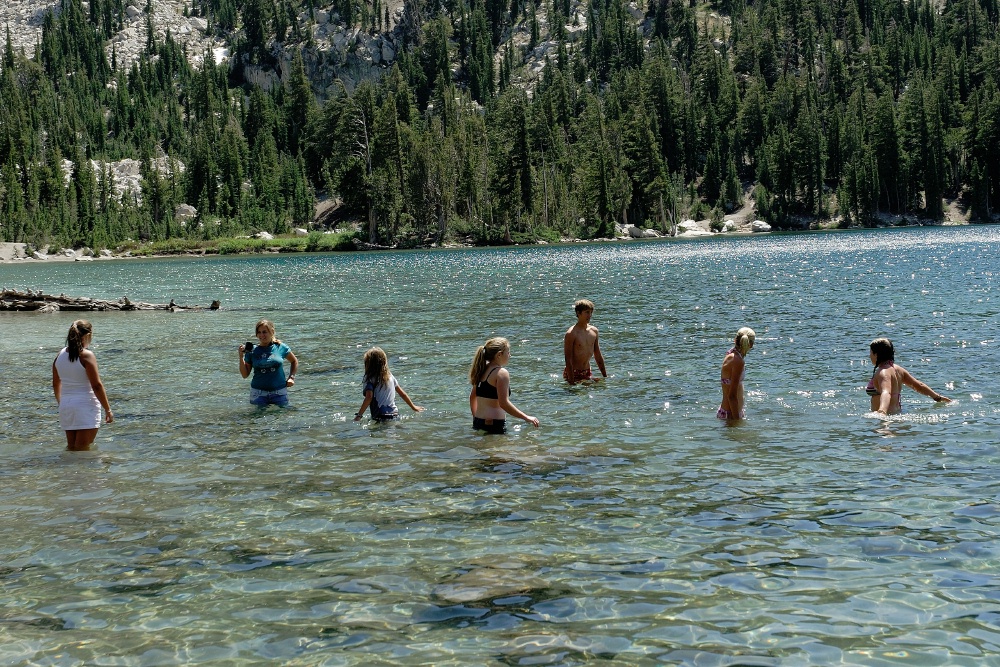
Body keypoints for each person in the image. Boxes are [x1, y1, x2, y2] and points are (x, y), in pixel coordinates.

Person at [52, 320, 113, 451]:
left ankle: (67, 471)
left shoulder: (60, 355)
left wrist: (61, 402)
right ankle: (83, 472)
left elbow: (56, 383)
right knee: (82, 450)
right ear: (87, 335)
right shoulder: (86, 355)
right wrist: (107, 409)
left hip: (66, 406)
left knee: (72, 448)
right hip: (85, 405)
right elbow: (96, 385)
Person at [469, 337, 539, 433]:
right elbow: (504, 403)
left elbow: (472, 397)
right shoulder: (501, 373)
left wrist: (475, 416)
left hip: (478, 421)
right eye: (508, 352)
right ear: (499, 355)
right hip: (494, 425)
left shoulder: (482, 369)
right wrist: (526, 417)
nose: (510, 355)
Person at [867, 337, 951, 415]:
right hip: (897, 415)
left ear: (876, 354)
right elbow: (919, 386)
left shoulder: (883, 372)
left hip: (885, 418)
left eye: (870, 352)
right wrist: (938, 398)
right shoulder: (898, 370)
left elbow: (886, 392)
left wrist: (882, 411)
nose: (869, 355)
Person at [354, 347, 424, 421]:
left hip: (380, 415)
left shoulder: (369, 379)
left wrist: (359, 415)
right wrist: (414, 407)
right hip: (395, 414)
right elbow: (402, 394)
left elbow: (369, 397)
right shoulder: (390, 376)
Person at [239, 319, 299, 406]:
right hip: (258, 393)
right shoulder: (252, 351)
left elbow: (294, 361)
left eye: (264, 332)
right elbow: (245, 375)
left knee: (282, 417)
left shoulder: (281, 347)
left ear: (272, 332)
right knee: (258, 418)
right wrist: (241, 357)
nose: (261, 335)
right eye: (259, 332)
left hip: (279, 392)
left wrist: (291, 377)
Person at [563, 299, 607, 384]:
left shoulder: (594, 331)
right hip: (573, 372)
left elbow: (597, 355)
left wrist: (605, 376)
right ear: (578, 313)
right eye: (587, 312)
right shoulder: (571, 333)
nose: (589, 315)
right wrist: (571, 382)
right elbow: (568, 359)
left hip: (587, 371)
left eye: (591, 312)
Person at [718, 327, 755, 420]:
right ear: (751, 345)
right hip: (731, 414)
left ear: (735, 340)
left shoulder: (730, 354)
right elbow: (732, 396)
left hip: (727, 411)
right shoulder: (738, 362)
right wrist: (736, 422)